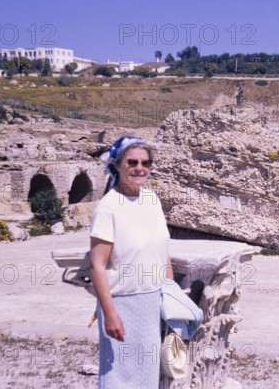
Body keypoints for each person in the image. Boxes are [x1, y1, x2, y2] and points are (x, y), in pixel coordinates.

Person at [89, 136, 173, 388]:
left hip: (153, 300)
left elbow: (162, 249)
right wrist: (110, 314)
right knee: (120, 376)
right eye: (132, 162)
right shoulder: (108, 207)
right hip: (123, 303)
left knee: (147, 375)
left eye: (146, 163)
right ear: (117, 165)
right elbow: (97, 265)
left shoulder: (151, 199)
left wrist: (169, 292)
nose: (140, 168)